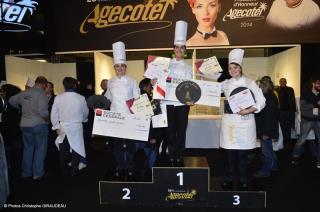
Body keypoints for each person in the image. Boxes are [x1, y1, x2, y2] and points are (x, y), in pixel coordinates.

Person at [220, 49, 266, 190]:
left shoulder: (250, 83)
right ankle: (228, 178)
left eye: (235, 67)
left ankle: (243, 178)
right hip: (229, 124)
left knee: (242, 155)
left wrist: (249, 110)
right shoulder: (226, 84)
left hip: (245, 122)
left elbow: (262, 101)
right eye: (230, 68)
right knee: (229, 155)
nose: (233, 70)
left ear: (240, 68)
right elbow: (209, 91)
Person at [156, 20, 193, 166]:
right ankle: (172, 154)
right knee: (170, 130)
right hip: (168, 102)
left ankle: (179, 154)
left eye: (182, 48)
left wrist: (193, 97)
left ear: (185, 50)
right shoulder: (165, 63)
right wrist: (154, 82)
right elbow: (158, 80)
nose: (179, 50)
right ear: (173, 49)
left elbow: (191, 86)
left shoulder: (188, 67)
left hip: (183, 103)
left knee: (182, 130)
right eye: (177, 47)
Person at [105, 41, 140, 181]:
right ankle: (120, 167)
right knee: (117, 145)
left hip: (129, 117)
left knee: (130, 145)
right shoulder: (110, 82)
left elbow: (137, 99)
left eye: (122, 66)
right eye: (117, 66)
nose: (120, 68)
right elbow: (107, 99)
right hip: (115, 117)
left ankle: (130, 168)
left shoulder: (132, 81)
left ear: (125, 67)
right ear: (114, 67)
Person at [9, 76, 49, 180]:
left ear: (35, 82)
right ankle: (38, 173)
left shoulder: (24, 93)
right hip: (38, 124)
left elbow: (11, 100)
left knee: (28, 149)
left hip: (24, 125)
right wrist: (48, 120)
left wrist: (20, 108)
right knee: (40, 149)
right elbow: (43, 111)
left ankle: (26, 172)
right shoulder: (41, 93)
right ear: (44, 84)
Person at [51, 77, 89, 177]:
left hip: (63, 126)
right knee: (76, 149)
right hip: (76, 126)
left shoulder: (58, 98)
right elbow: (85, 112)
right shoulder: (81, 98)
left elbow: (53, 114)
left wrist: (56, 126)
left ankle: (64, 172)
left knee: (63, 149)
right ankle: (74, 171)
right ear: (75, 85)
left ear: (64, 86)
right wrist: (84, 120)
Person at [254, 77, 279, 178]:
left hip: (266, 130)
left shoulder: (269, 97)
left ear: (267, 85)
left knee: (266, 152)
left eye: (262, 85)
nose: (260, 86)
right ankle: (274, 166)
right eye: (260, 84)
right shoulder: (268, 96)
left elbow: (269, 117)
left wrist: (265, 132)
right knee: (269, 150)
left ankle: (265, 171)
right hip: (266, 128)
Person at [292, 78, 320, 168]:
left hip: (318, 120)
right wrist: (315, 104)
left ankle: (319, 160)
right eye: (318, 83)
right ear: (313, 83)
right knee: (301, 140)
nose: (319, 85)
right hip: (307, 120)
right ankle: (295, 157)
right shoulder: (306, 93)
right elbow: (302, 107)